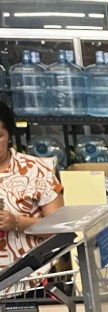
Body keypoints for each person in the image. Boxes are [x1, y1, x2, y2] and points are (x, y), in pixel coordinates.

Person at [0, 101, 65, 275]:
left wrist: (17, 223)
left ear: (9, 135)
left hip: (31, 279)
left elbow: (60, 228)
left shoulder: (36, 170)